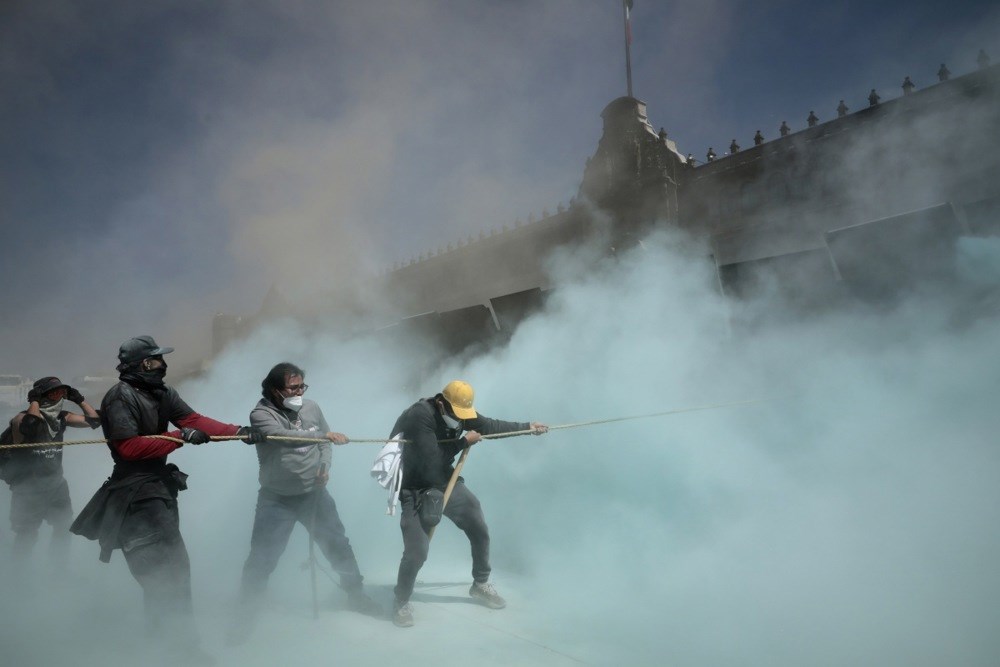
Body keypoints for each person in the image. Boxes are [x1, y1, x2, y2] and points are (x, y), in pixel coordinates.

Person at [70, 335, 264, 664]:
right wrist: (178, 437)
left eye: (161, 359)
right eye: (154, 360)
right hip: (135, 495)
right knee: (162, 573)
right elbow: (128, 448)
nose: (162, 365)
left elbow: (193, 420)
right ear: (139, 365)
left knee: (173, 570)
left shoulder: (162, 392)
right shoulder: (120, 396)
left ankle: (169, 646)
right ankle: (177, 650)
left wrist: (238, 431)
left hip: (158, 489)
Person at [228, 362, 379, 644]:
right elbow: (283, 438)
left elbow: (325, 443)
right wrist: (323, 435)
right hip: (277, 499)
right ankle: (245, 616)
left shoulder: (312, 407)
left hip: (314, 494)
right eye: (293, 388)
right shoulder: (261, 414)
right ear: (275, 390)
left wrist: (324, 465)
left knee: (338, 545)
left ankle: (356, 595)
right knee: (262, 558)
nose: (299, 393)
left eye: (302, 387)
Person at [388, 380, 547, 627]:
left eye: (462, 414)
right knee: (416, 551)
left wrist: (527, 427)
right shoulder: (420, 416)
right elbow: (431, 460)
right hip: (415, 487)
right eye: (455, 412)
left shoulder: (460, 413)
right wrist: (464, 442)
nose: (458, 418)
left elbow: (490, 425)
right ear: (441, 402)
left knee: (478, 525)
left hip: (444, 481)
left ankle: (480, 584)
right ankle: (401, 600)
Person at [0, 376, 100, 569]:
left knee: (64, 527)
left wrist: (79, 399)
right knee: (27, 534)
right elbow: (30, 426)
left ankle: (58, 571)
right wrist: (35, 401)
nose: (58, 396)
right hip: (28, 487)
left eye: (61, 392)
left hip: (56, 484)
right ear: (42, 395)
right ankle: (19, 575)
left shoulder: (62, 417)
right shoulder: (21, 418)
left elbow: (94, 421)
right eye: (53, 392)